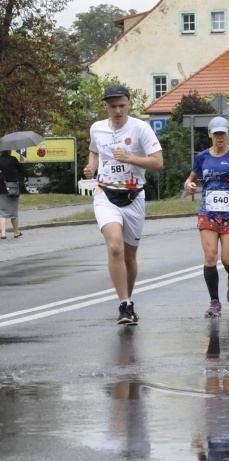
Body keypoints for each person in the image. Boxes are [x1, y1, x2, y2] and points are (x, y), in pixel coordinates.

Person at [84, 83, 163, 325]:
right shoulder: (97, 128)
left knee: (129, 256)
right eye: (112, 106)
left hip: (134, 197)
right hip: (105, 195)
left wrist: (129, 158)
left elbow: (158, 162)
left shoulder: (141, 128)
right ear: (106, 107)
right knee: (115, 247)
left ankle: (129, 299)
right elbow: (95, 151)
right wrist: (92, 166)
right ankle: (124, 304)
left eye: (121, 105)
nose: (117, 110)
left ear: (128, 104)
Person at [185, 116, 229, 318]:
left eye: (222, 133)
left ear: (228, 134)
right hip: (207, 212)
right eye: (215, 133)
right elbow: (190, 179)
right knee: (210, 256)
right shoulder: (202, 157)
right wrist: (189, 185)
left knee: (227, 260)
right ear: (209, 134)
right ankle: (214, 302)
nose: (219, 137)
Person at [0, 150, 24, 239]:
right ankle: (16, 232)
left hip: (1, 188)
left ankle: (3, 233)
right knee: (13, 212)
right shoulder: (13, 159)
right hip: (12, 187)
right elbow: (21, 170)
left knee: (2, 212)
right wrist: (21, 162)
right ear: (9, 151)